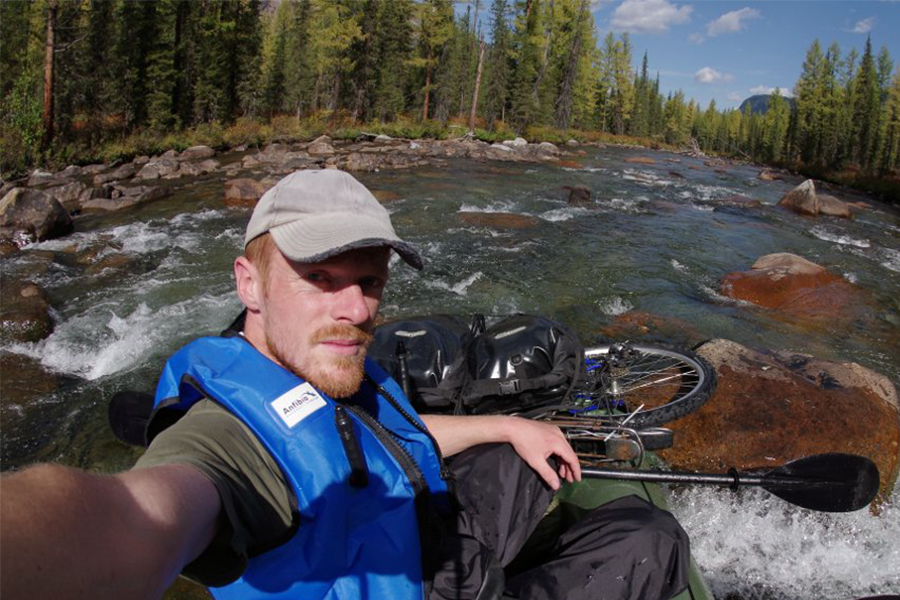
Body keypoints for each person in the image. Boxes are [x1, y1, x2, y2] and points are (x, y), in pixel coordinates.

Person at [0, 169, 689, 600]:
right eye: (321, 279)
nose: (357, 309)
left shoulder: (317, 362)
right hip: (420, 585)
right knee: (651, 538)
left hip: (419, 532)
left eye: (369, 283)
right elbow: (130, 521)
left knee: (523, 456)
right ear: (249, 284)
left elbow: (389, 433)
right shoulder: (227, 441)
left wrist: (509, 426)